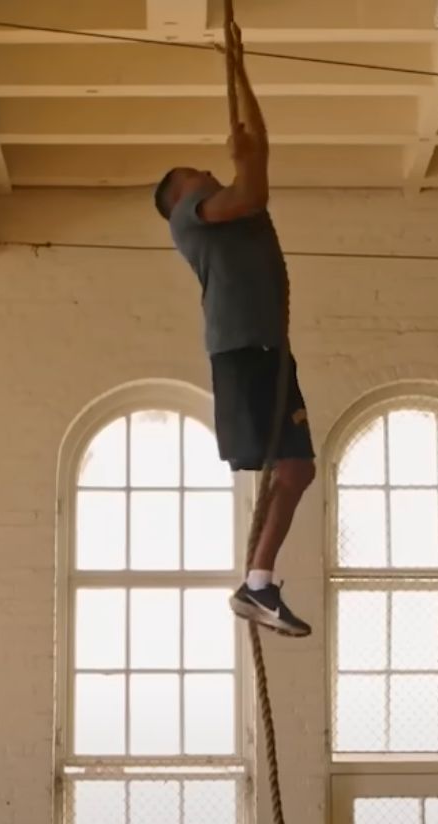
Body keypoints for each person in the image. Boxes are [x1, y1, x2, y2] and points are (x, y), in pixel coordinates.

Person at [153, 25, 314, 638]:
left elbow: (259, 154)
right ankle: (257, 586)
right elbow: (254, 177)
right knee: (291, 469)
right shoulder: (191, 224)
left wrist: (240, 70)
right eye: (194, 172)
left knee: (298, 471)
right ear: (178, 201)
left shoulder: (239, 212)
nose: (205, 171)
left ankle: (258, 585)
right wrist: (245, 164)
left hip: (268, 351)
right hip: (244, 351)